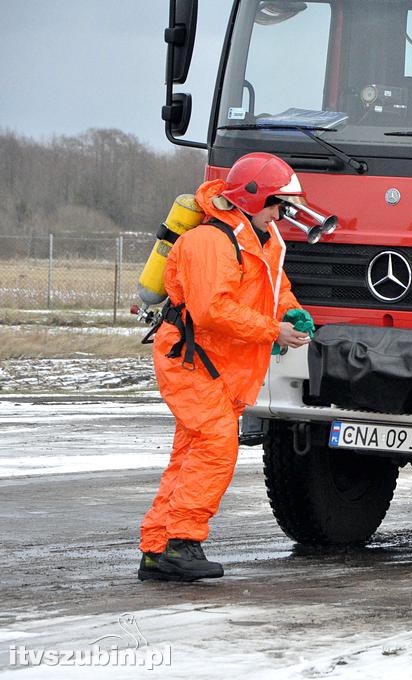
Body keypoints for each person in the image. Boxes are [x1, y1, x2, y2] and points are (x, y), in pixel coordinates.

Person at [138, 153, 312, 582]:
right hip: (191, 361)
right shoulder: (209, 242)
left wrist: (291, 313)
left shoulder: (263, 239)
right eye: (278, 204)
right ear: (253, 198)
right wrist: (273, 331)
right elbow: (212, 310)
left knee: (191, 454)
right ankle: (182, 543)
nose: (283, 214)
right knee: (215, 446)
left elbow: (274, 289)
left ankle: (157, 550)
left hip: (221, 365)